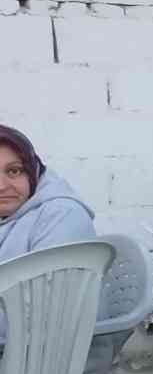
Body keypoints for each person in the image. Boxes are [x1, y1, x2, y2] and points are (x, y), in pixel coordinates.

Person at [0, 125, 96, 343]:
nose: (1, 186)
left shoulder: (62, 217)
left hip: (46, 364)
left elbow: (42, 314)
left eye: (13, 171)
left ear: (33, 172)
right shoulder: (9, 215)